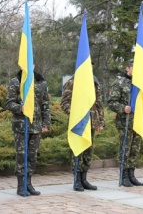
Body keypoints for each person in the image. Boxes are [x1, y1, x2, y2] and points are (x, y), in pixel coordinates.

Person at [5, 68, 51, 197]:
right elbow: (9, 102)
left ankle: (29, 183)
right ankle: (20, 185)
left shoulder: (41, 83)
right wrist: (20, 108)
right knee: (21, 155)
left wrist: (46, 123)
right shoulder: (16, 82)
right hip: (21, 125)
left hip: (36, 126)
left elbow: (45, 104)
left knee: (32, 156)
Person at [60, 61, 105, 191]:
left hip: (91, 123)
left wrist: (100, 121)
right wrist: (75, 115)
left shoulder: (94, 82)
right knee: (78, 151)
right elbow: (64, 103)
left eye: (91, 66)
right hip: (78, 123)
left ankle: (84, 178)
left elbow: (99, 103)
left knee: (88, 152)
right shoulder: (72, 82)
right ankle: (77, 180)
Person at [107, 59, 143, 187]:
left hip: (138, 122)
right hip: (125, 122)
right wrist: (122, 108)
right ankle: (124, 175)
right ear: (128, 68)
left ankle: (132, 174)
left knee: (135, 149)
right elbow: (111, 102)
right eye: (134, 67)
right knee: (125, 149)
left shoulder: (141, 84)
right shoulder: (119, 83)